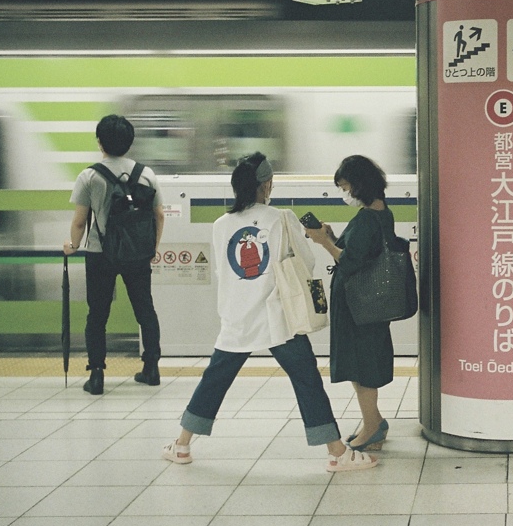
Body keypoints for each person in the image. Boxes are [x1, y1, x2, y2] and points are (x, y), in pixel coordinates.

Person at [162, 152, 377, 472]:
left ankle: (181, 445)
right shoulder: (282, 218)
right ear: (266, 186)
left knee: (215, 379)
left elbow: (224, 271)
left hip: (237, 316)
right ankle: (336, 452)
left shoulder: (222, 225)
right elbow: (306, 263)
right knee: (306, 379)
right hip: (278, 317)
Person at [63, 114, 164, 395]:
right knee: (145, 309)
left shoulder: (90, 175)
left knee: (97, 314)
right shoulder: (147, 174)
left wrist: (72, 245)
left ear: (100, 142)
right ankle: (152, 368)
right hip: (138, 254)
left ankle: (96, 375)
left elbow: (80, 222)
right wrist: (152, 248)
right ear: (130, 142)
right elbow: (158, 215)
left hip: (99, 253)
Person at [307, 155, 394, 452]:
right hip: (367, 304)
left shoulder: (369, 217)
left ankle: (372, 427)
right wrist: (333, 237)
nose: (345, 194)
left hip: (361, 306)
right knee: (362, 363)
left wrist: (323, 242)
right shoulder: (381, 212)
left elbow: (352, 261)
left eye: (345, 187)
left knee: (362, 366)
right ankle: (375, 420)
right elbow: (361, 250)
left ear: (359, 185)